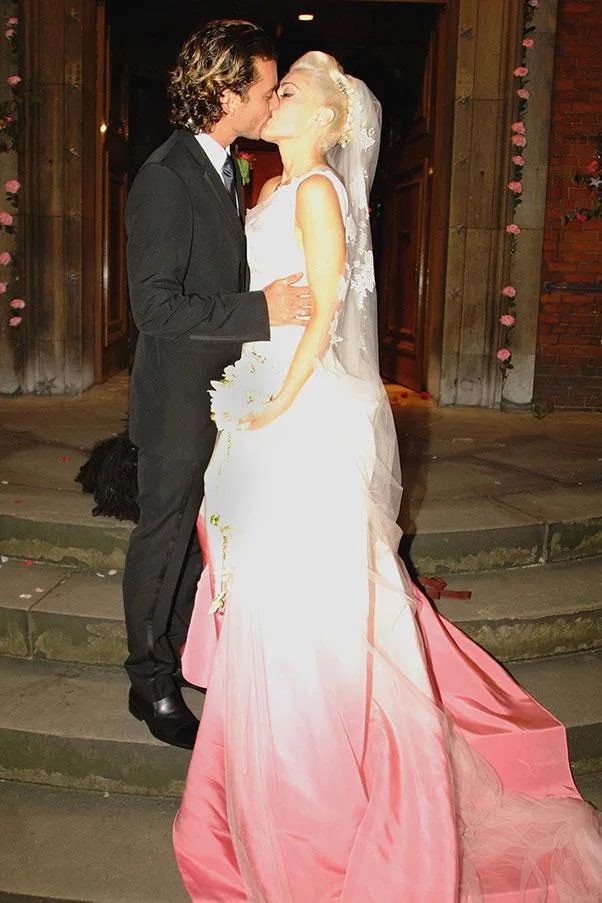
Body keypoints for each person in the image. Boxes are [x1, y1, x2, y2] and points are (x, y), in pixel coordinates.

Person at [173, 51, 602, 900]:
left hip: (297, 413)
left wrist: (271, 403)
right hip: (253, 408)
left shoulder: (320, 191)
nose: (274, 97)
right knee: (260, 604)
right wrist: (235, 402)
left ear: (326, 115)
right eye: (276, 86)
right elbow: (261, 303)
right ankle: (267, 785)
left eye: (288, 89)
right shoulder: (261, 194)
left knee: (311, 612)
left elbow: (326, 313)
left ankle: (329, 801)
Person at [122, 20, 312, 751]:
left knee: (196, 543)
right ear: (228, 92)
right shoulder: (167, 177)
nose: (272, 102)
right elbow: (157, 307)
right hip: (176, 400)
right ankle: (149, 679)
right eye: (265, 89)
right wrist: (261, 310)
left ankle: (169, 656)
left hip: (218, 391)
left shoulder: (223, 165)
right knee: (163, 538)